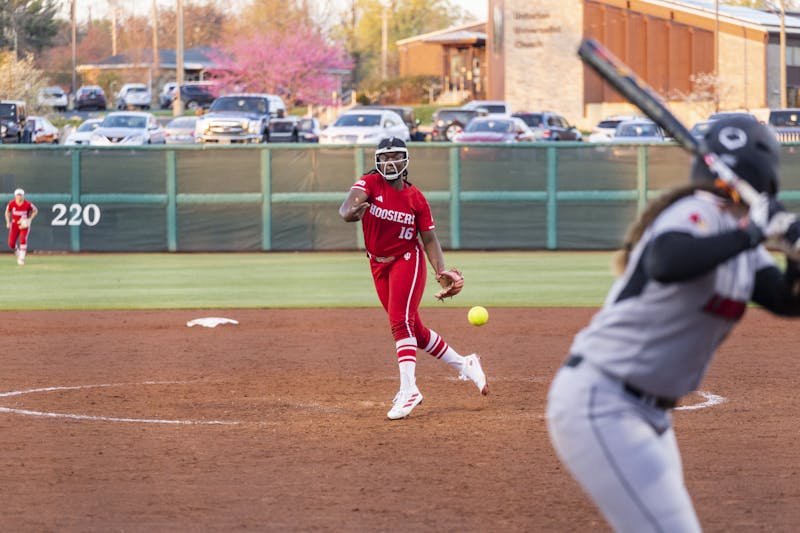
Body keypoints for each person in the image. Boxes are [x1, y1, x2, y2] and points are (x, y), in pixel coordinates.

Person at [545, 115, 800, 532]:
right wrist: (754, 231)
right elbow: (666, 261)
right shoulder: (696, 211)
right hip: (602, 402)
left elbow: (786, 303)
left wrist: (791, 253)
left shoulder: (738, 238)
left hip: (650, 416)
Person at [338, 137, 488, 420]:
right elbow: (346, 209)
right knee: (414, 331)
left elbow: (430, 239)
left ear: (405, 160)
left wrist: (440, 271)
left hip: (407, 259)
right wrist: (352, 212)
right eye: (384, 158)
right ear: (377, 161)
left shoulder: (415, 197)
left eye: (395, 157)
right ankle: (465, 364)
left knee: (399, 322)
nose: (389, 162)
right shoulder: (369, 184)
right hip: (378, 264)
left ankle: (410, 390)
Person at [5, 188, 38, 266]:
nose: (19, 197)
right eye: (18, 195)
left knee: (23, 238)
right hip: (14, 225)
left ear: (23, 195)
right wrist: (8, 222)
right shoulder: (11, 204)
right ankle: (18, 252)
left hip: (24, 224)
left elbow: (35, 210)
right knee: (11, 243)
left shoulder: (28, 204)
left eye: (20, 195)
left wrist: (30, 219)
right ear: (15, 196)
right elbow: (7, 212)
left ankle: (22, 258)